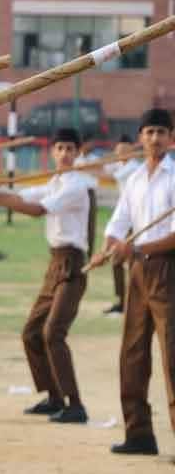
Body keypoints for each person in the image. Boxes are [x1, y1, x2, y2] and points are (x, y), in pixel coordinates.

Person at [0, 128, 90, 424]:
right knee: (32, 332)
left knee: (53, 333)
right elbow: (22, 195)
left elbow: (36, 210)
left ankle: (75, 405)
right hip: (55, 264)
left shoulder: (76, 186)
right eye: (60, 148)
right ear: (53, 152)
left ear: (78, 153)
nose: (65, 154)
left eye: (70, 149)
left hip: (73, 266)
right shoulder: (55, 182)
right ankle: (53, 396)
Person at [89, 108, 175, 456]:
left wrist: (135, 248)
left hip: (167, 272)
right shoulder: (136, 178)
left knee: (173, 360)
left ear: (171, 138)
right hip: (138, 273)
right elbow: (118, 223)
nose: (154, 138)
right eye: (149, 131)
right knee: (132, 355)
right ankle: (139, 433)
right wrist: (107, 249)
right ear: (140, 137)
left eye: (161, 132)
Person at [101, 135, 140, 314]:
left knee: (134, 262)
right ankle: (122, 301)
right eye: (118, 152)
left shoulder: (133, 167)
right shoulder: (120, 164)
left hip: (136, 222)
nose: (121, 154)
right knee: (116, 261)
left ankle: (135, 302)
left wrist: (80, 169)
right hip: (123, 220)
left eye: (124, 151)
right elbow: (103, 167)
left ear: (132, 151)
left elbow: (108, 177)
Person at [74, 134, 99, 257]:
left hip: (90, 193)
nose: (92, 145)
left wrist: (87, 169)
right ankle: (79, 252)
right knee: (77, 223)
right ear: (83, 144)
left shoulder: (95, 159)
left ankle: (89, 254)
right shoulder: (75, 159)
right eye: (90, 143)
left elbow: (100, 171)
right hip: (77, 193)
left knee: (90, 224)